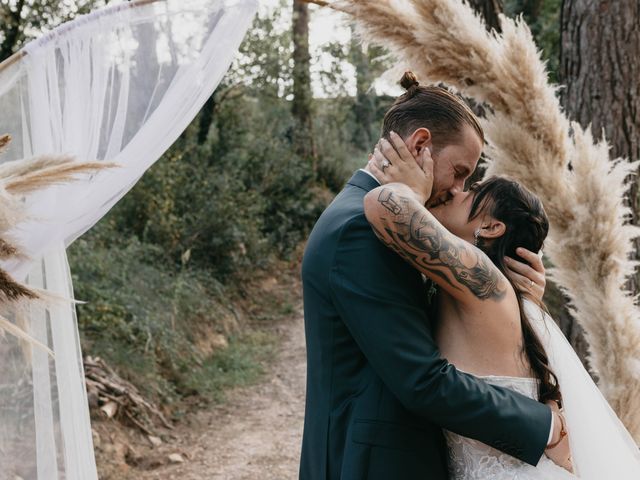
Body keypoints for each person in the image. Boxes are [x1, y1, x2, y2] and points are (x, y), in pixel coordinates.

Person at [364, 79, 640, 478]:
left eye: (470, 190)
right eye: (460, 178)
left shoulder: (482, 278)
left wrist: (411, 183)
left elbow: (381, 203)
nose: (455, 190)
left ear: (490, 227)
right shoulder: (477, 289)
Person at [299, 72, 568, 480]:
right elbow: (421, 378)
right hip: (374, 463)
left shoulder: (369, 218)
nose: (458, 188)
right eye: (459, 172)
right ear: (421, 144)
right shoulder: (361, 226)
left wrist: (514, 296)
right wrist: (543, 426)